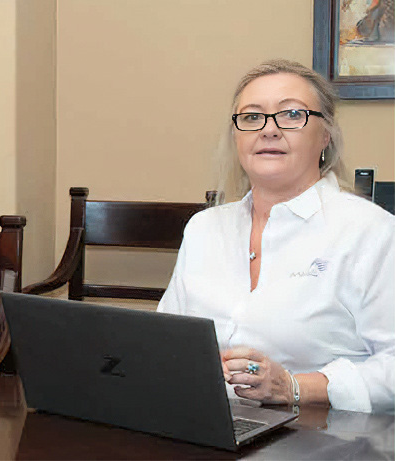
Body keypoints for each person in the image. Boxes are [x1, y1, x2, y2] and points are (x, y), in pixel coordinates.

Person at [159, 59, 395, 413]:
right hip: (207, 426)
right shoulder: (204, 229)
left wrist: (295, 387)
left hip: (325, 437)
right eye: (252, 117)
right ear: (236, 136)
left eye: (291, 115)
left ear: (325, 135)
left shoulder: (370, 232)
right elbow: (164, 343)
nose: (268, 130)